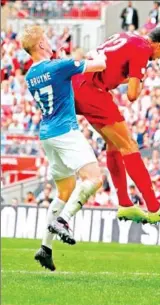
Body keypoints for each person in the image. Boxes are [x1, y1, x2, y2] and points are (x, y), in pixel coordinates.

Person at [73, 27, 160, 225]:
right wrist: (140, 78)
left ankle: (125, 203)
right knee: (129, 145)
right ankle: (154, 207)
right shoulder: (143, 50)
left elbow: (112, 68)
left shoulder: (126, 36)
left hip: (78, 85)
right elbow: (132, 95)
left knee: (114, 144)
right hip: (93, 91)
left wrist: (130, 77)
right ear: (159, 45)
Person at [21, 25, 106, 271]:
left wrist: (59, 54)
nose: (49, 42)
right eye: (46, 40)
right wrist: (95, 55)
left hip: (47, 135)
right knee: (94, 178)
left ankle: (45, 248)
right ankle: (63, 220)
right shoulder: (59, 66)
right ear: (40, 45)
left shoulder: (30, 76)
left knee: (64, 191)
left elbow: (52, 72)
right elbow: (99, 65)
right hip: (66, 131)